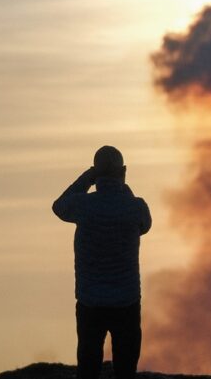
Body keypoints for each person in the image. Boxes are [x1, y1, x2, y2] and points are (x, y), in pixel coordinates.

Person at [53, 146, 152, 379]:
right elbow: (144, 225)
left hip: (90, 302)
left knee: (88, 368)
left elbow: (59, 206)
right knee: (125, 370)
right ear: (124, 171)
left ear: (95, 174)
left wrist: (86, 179)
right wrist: (123, 188)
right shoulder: (135, 206)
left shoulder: (83, 205)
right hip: (126, 302)